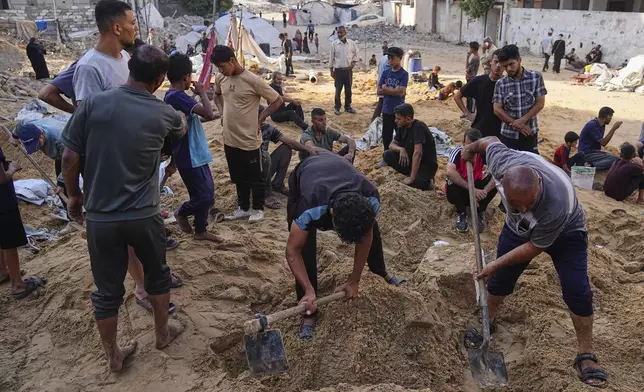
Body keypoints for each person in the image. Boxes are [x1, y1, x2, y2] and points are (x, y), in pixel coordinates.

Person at [61, 45, 186, 373]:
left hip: (101, 218)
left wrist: (74, 197)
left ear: (129, 67)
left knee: (107, 290)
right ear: (160, 79)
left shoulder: (92, 104)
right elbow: (179, 131)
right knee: (157, 275)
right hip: (144, 215)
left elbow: (70, 158)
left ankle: (113, 355)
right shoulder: (164, 114)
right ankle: (162, 335)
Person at [461, 136, 608, 389]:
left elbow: (534, 247)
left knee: (577, 290)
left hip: (567, 234)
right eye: (517, 204)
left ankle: (586, 354)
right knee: (500, 281)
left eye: (530, 202)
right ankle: (488, 322)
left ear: (538, 184)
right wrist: (471, 148)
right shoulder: (503, 161)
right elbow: (490, 141)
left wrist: (495, 263)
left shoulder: (555, 202)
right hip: (518, 229)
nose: (525, 207)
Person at [72, 0, 181, 312]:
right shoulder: (90, 68)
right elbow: (85, 123)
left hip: (137, 161)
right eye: (133, 22)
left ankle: (150, 280)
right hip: (112, 166)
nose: (137, 28)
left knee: (139, 229)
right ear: (117, 27)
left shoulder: (125, 59)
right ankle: (142, 288)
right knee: (126, 228)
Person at [286, 152, 405, 340]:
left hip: (338, 168)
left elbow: (367, 236)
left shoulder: (371, 196)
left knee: (368, 225)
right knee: (304, 244)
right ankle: (308, 306)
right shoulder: (309, 207)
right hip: (306, 172)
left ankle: (380, 272)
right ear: (331, 215)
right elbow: (292, 251)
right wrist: (308, 289)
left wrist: (354, 280)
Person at [212, 45, 282, 223]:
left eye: (223, 66)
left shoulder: (253, 80)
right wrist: (222, 113)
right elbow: (217, 95)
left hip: (249, 138)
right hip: (229, 137)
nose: (220, 71)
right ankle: (243, 208)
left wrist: (260, 118)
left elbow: (277, 100)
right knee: (238, 176)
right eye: (218, 68)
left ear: (232, 61)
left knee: (255, 177)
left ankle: (258, 209)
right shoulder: (221, 77)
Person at [164, 53, 220, 241]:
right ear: (186, 77)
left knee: (204, 192)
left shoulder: (174, 96)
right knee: (205, 196)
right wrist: (203, 92)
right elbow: (209, 114)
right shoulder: (178, 97)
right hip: (190, 155)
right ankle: (181, 212)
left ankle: (201, 229)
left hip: (193, 153)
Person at [0, 149, 47, 299]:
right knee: (9, 242)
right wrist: (12, 168)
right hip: (3, 204)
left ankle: (2, 271)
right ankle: (18, 286)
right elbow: (2, 178)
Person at [259, 107, 316, 209]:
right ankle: (266, 193)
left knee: (286, 148)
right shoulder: (244, 130)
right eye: (262, 117)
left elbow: (290, 142)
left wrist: (309, 150)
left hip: (264, 167)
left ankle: (278, 183)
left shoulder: (266, 128)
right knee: (264, 156)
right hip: (251, 170)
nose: (264, 119)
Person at [493, 44, 547, 153]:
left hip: (529, 132)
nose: (508, 69)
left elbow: (540, 103)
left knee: (530, 165)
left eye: (511, 64)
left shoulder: (536, 78)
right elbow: (497, 109)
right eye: (505, 66)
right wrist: (516, 124)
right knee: (508, 167)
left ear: (519, 60)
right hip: (508, 135)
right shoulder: (501, 83)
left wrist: (523, 120)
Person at [445, 129, 497, 232]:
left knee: (496, 181)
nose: (471, 149)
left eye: (475, 146)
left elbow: (498, 174)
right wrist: (472, 190)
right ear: (463, 143)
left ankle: (480, 210)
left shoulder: (484, 154)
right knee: (451, 180)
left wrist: (484, 191)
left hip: (477, 190)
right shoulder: (457, 152)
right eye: (468, 145)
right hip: (461, 190)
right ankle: (461, 212)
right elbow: (450, 171)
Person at [382, 104, 437, 190]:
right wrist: (401, 149)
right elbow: (391, 145)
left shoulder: (419, 126)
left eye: (398, 118)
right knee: (387, 155)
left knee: (417, 183)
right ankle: (411, 173)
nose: (395, 121)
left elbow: (418, 153)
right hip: (410, 161)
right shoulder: (402, 126)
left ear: (408, 119)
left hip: (425, 165)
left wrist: (412, 178)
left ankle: (426, 180)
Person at [454, 49, 503, 139]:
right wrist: (467, 113)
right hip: (480, 130)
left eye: (502, 63)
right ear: (490, 62)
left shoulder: (507, 84)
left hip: (501, 133)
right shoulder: (479, 81)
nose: (498, 66)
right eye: (496, 62)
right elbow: (457, 96)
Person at [374, 47, 408, 168]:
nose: (390, 60)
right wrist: (393, 90)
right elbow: (379, 91)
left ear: (400, 58)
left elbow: (401, 92)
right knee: (386, 135)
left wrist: (386, 89)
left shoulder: (404, 74)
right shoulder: (386, 72)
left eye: (392, 58)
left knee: (401, 135)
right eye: (388, 57)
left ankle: (400, 158)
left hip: (399, 111)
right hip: (387, 109)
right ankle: (386, 157)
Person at [329, 26, 358, 116]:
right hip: (338, 71)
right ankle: (337, 108)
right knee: (338, 90)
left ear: (345, 33)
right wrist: (331, 70)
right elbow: (331, 58)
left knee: (348, 90)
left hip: (348, 71)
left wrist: (352, 64)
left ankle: (348, 106)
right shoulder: (334, 44)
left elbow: (356, 53)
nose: (340, 34)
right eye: (338, 33)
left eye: (341, 32)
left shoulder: (351, 44)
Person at [465, 41, 480, 113]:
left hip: (470, 77)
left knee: (469, 96)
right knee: (469, 95)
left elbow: (467, 69)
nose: (469, 49)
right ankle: (470, 110)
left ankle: (469, 111)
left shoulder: (475, 58)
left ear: (473, 48)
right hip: (472, 77)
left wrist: (467, 57)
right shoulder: (476, 57)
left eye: (470, 48)